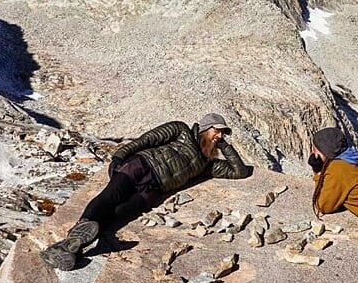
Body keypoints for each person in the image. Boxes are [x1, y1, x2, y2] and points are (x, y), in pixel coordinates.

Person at [41, 112, 251, 270]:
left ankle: (71, 247)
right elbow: (146, 140)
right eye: (218, 130)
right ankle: (73, 243)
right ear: (205, 128)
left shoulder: (207, 164)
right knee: (108, 197)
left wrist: (224, 146)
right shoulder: (181, 130)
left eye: (223, 133)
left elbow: (239, 171)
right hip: (141, 166)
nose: (220, 135)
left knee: (118, 213)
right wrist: (119, 157)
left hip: (154, 190)